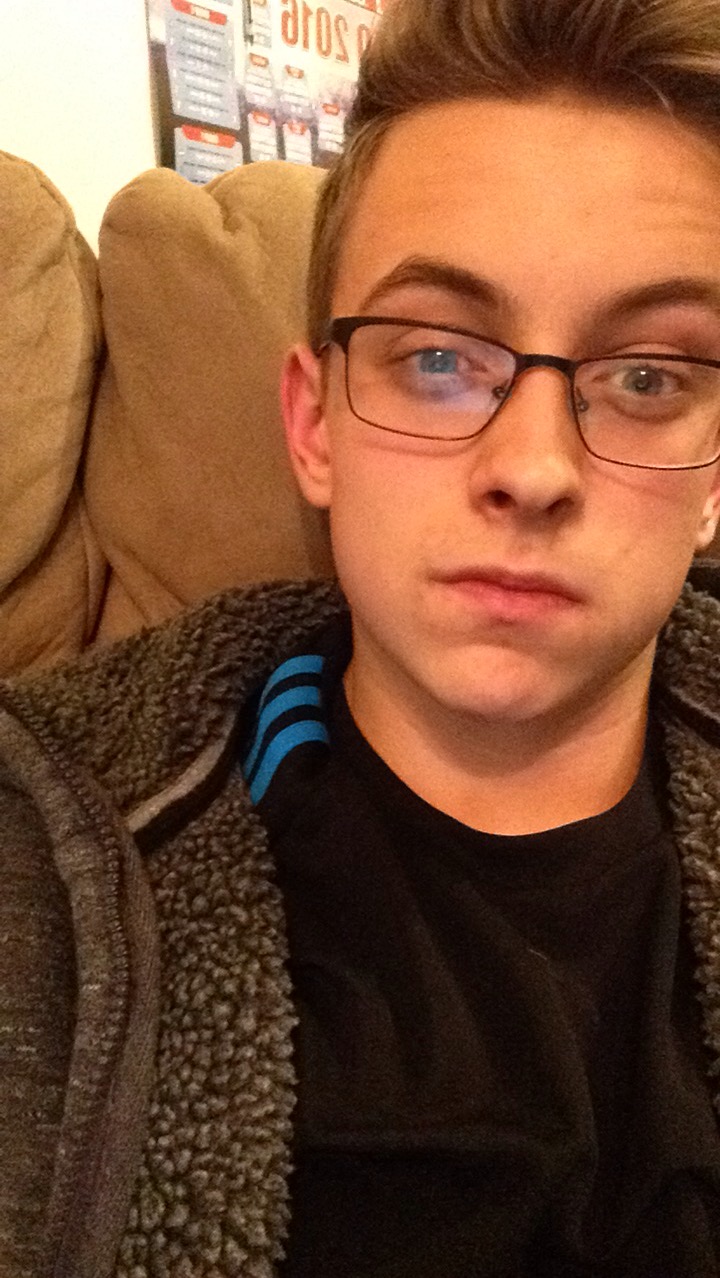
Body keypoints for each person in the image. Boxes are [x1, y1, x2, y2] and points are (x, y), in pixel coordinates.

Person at [4, 0, 720, 1273]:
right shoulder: (46, 851)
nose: (534, 469)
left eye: (648, 376)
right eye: (438, 358)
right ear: (314, 426)